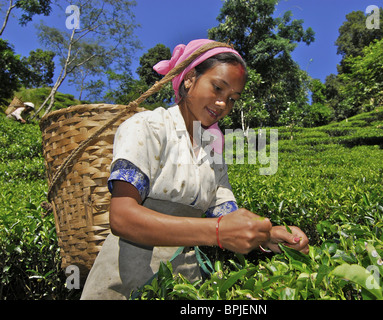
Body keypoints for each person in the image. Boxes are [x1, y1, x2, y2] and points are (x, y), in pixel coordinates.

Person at [80, 39, 309, 300]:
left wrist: (270, 235)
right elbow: (123, 218)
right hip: (124, 279)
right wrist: (217, 233)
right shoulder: (148, 127)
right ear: (189, 78)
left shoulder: (213, 152)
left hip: (184, 284)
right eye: (217, 88)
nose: (223, 104)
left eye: (232, 98)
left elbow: (226, 217)